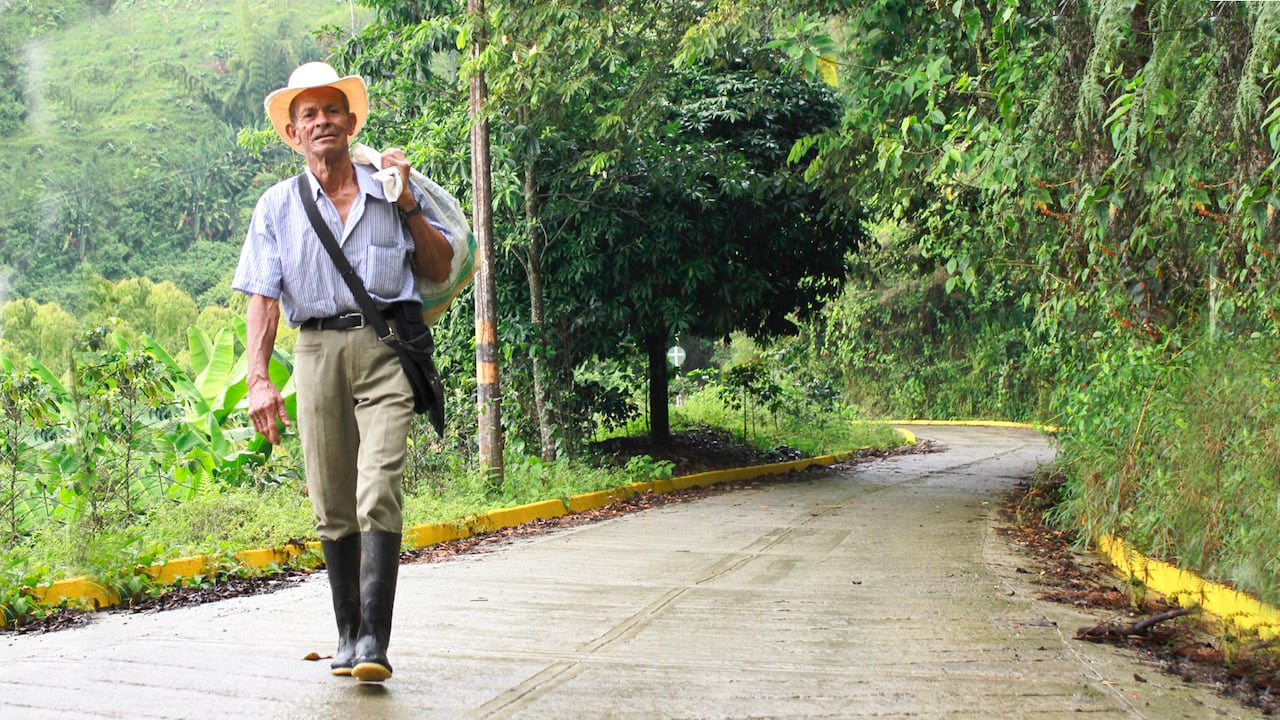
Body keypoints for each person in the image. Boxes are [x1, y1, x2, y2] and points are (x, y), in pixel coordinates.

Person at [232, 61, 454, 683]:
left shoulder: (389, 189)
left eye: (333, 110)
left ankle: (375, 642)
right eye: (310, 114)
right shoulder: (276, 206)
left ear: (352, 122)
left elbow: (436, 268)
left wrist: (408, 201)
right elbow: (262, 297)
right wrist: (258, 378)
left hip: (385, 350)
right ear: (294, 133)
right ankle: (347, 632)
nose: (323, 121)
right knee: (332, 501)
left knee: (377, 485)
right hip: (316, 353)